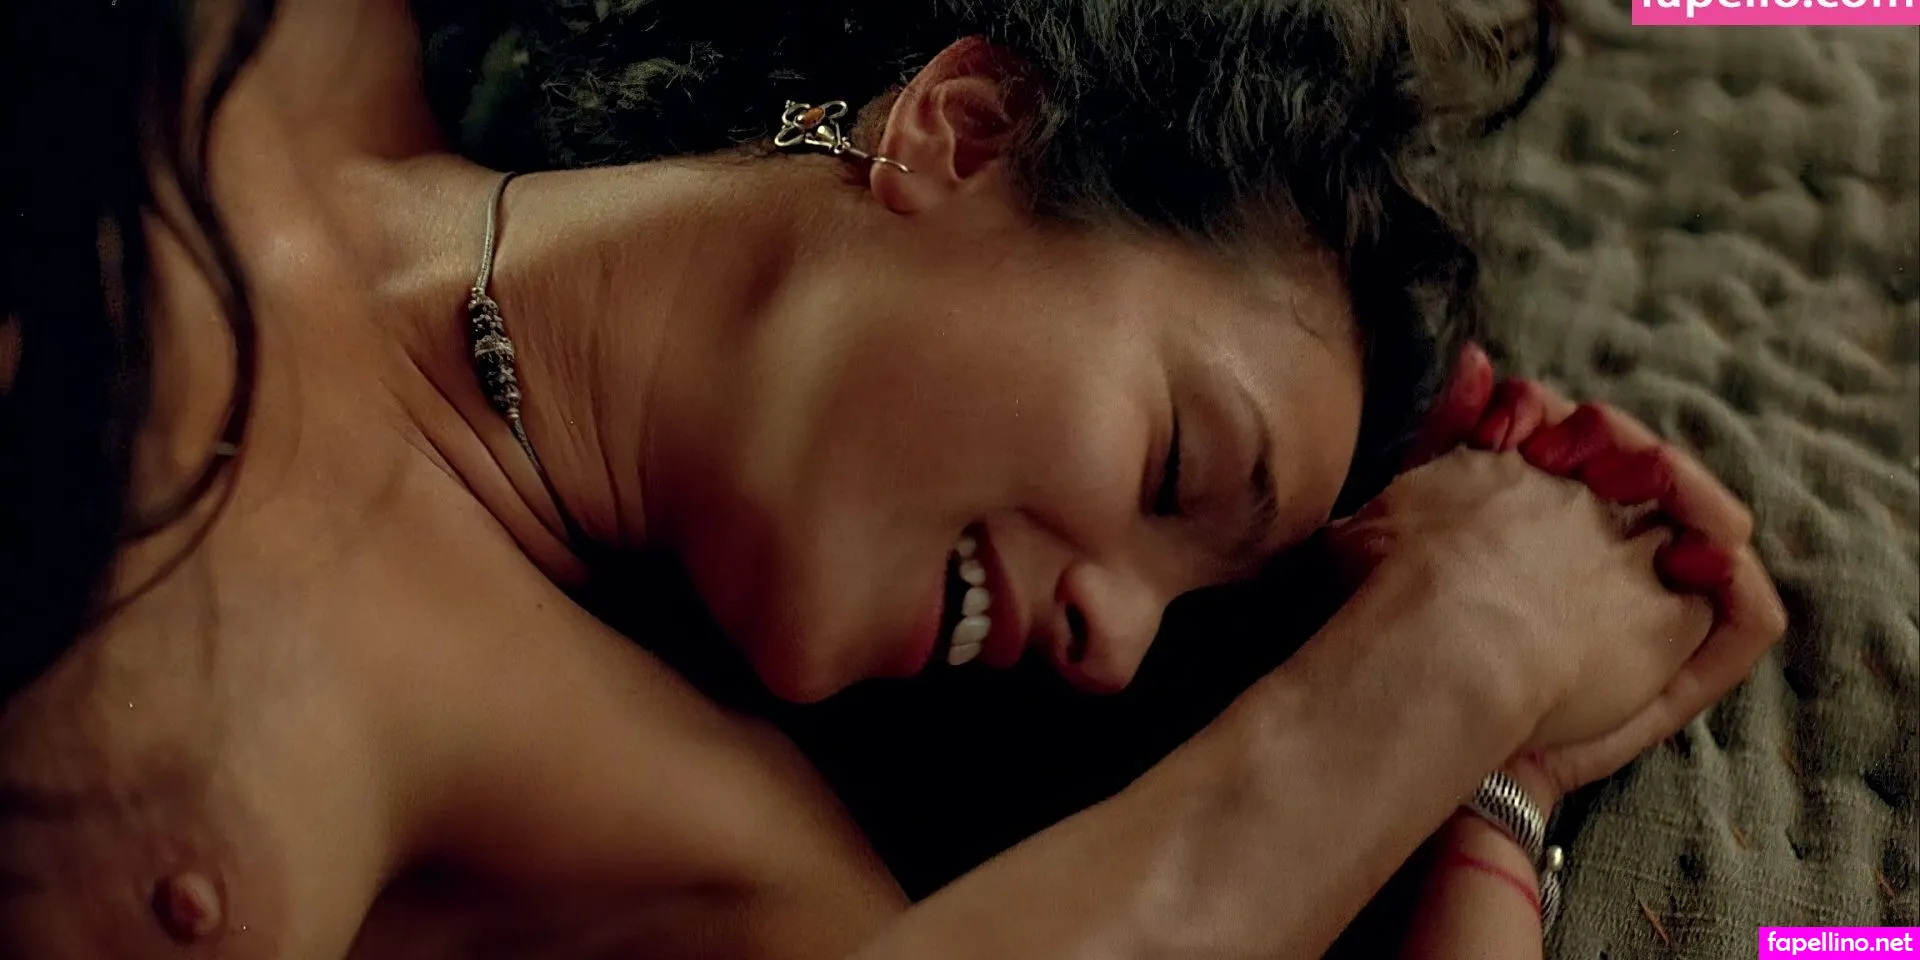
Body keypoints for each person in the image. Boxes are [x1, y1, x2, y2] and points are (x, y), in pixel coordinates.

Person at [0, 1, 1785, 958]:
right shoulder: (269, 43)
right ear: (965, 130)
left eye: (1176, 619)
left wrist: (1473, 698)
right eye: (1179, 466)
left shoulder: (692, 832)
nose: (1112, 644)